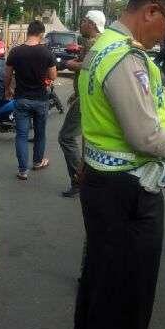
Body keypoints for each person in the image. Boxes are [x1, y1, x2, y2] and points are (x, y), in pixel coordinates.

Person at [66, 0, 165, 329]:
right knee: (127, 298)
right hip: (129, 194)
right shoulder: (125, 58)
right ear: (151, 11)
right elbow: (146, 136)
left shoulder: (102, 47)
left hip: (106, 184)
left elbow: (98, 125)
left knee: (102, 287)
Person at [58, 10, 105, 197]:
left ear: (91, 24)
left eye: (84, 21)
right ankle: (89, 180)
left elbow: (87, 66)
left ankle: (80, 180)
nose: (81, 24)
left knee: (66, 137)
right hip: (84, 95)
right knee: (88, 143)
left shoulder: (95, 42)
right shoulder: (92, 42)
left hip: (87, 98)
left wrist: (70, 64)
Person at [5, 20, 57, 180]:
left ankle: (22, 170)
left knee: (21, 135)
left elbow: (7, 75)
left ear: (28, 32)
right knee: (40, 133)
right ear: (41, 34)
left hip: (21, 98)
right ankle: (37, 162)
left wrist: (8, 88)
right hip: (41, 99)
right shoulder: (47, 53)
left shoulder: (15, 52)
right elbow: (53, 76)